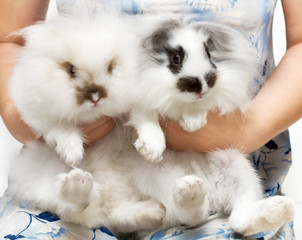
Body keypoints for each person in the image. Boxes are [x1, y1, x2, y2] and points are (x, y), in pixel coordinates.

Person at [0, 0, 301, 239]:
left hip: (228, 153)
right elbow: (9, 40)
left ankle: (229, 208)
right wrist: (43, 120)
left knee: (226, 173)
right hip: (80, 165)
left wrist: (244, 130)